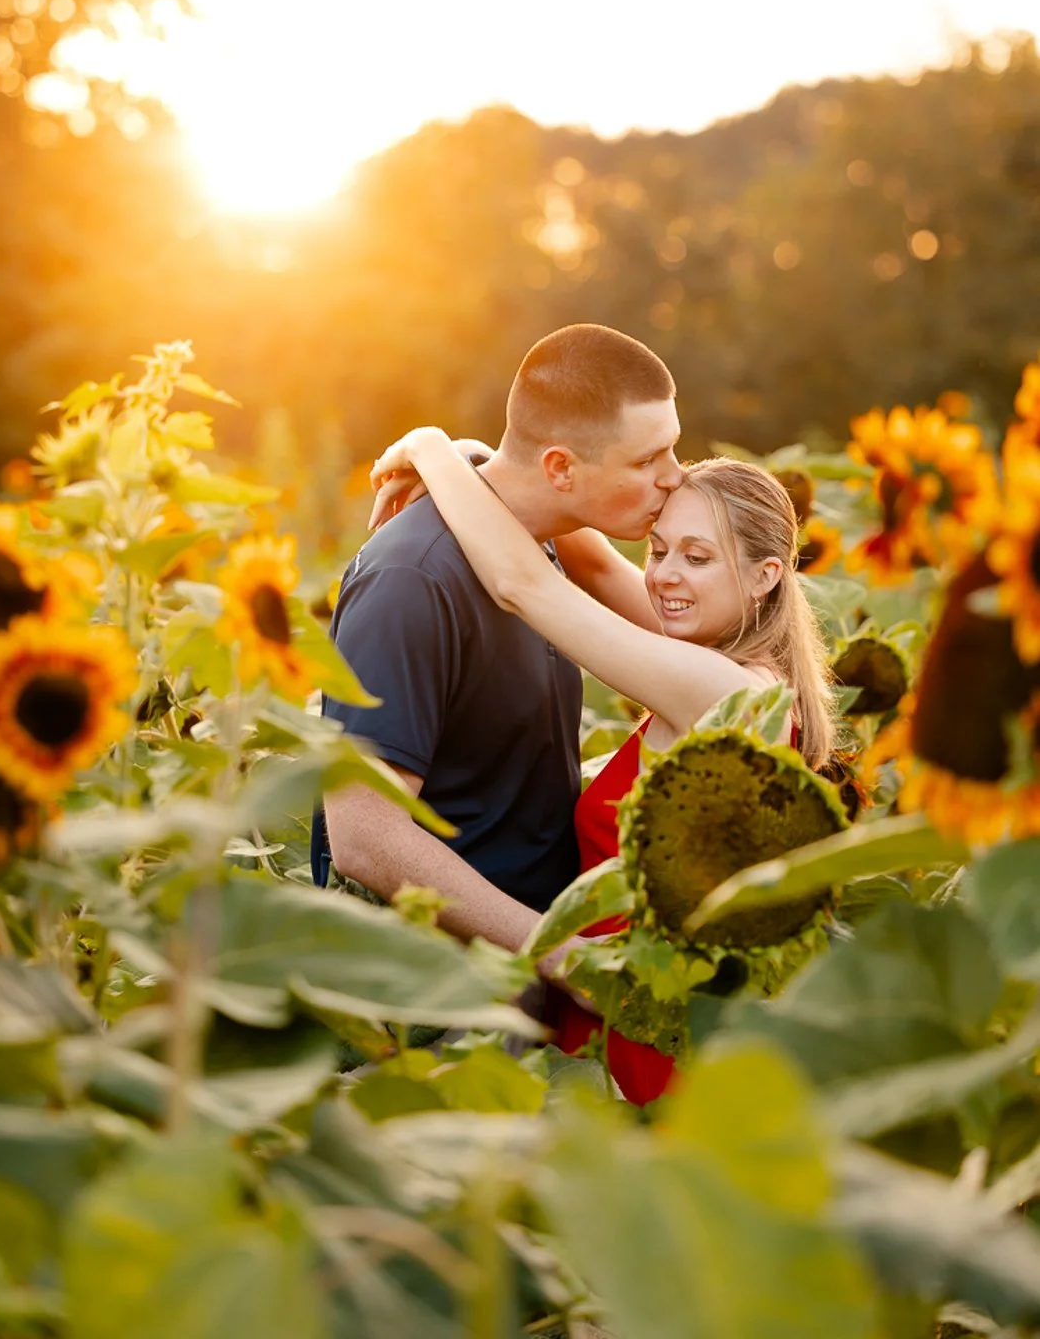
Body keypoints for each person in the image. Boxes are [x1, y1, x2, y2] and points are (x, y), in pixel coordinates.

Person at [366, 431, 835, 1103]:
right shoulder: (725, 654)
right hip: (613, 1007)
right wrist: (484, 458)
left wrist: (429, 449)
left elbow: (522, 585)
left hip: (643, 1035)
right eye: (659, 549)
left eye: (697, 557)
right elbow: (589, 563)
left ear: (764, 576)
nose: (665, 575)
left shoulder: (722, 691)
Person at [311, 325, 683, 978]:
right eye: (647, 460)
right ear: (560, 467)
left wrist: (449, 452)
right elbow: (362, 836)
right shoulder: (411, 580)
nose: (673, 480)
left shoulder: (539, 541)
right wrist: (556, 954)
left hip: (527, 968)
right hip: (437, 997)